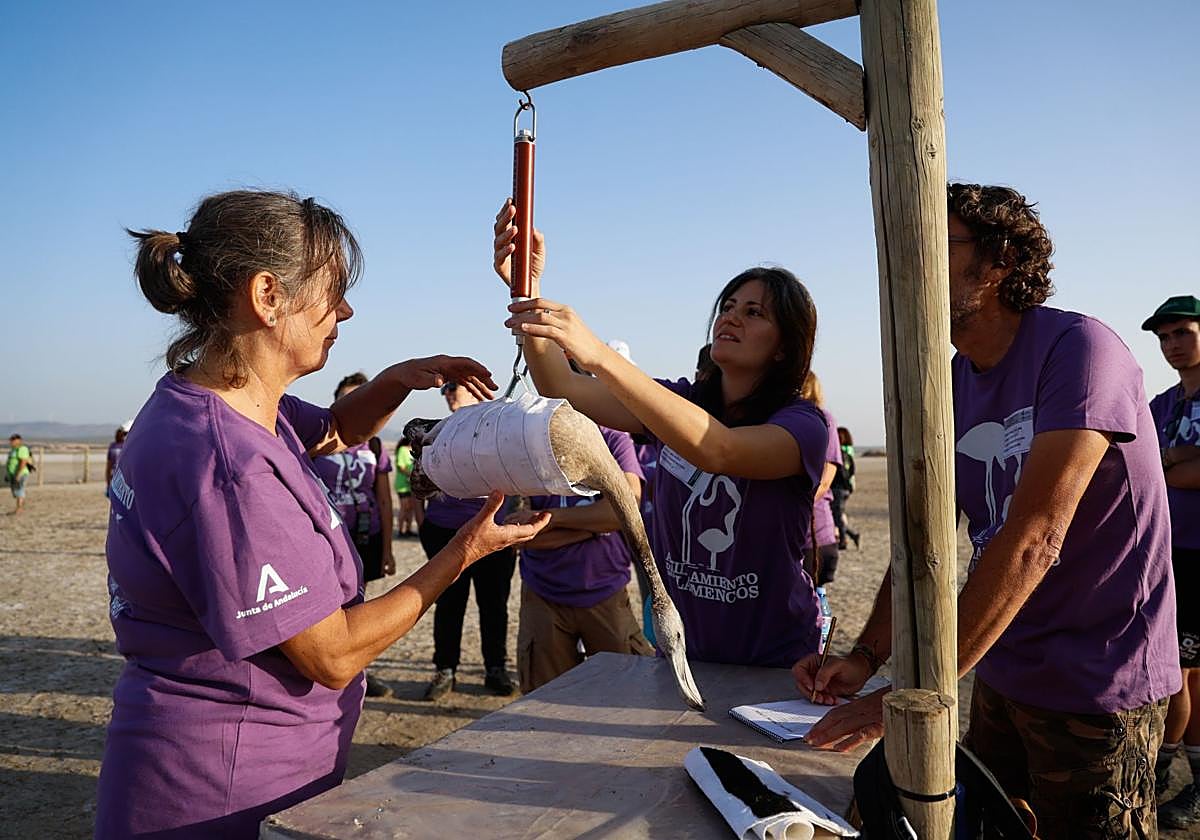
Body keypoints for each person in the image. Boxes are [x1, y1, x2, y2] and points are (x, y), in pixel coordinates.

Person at [95, 190, 549, 839]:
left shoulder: (232, 403)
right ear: (267, 296)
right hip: (219, 792)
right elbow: (333, 654)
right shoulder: (228, 465)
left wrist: (397, 379)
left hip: (241, 770)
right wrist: (466, 551)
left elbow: (334, 428)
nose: (346, 310)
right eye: (332, 291)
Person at [795, 183, 1180, 838]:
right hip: (1001, 662)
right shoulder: (947, 380)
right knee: (991, 825)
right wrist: (865, 657)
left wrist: (911, 698)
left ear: (999, 262)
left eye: (930, 246)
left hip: (1097, 672)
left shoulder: (1080, 350)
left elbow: (1036, 537)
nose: (905, 265)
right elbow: (923, 541)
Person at [493, 199, 832, 668]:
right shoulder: (682, 402)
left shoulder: (803, 425)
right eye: (728, 306)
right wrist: (525, 286)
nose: (731, 317)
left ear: (784, 347)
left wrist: (598, 354)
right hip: (685, 654)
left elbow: (720, 449)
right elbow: (562, 385)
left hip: (776, 661)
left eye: (755, 313)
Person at [505, 423, 653, 692]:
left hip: (604, 589)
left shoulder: (614, 440)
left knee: (625, 697)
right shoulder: (527, 442)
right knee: (546, 703)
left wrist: (551, 520)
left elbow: (626, 508)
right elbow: (516, 533)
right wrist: (597, 525)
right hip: (542, 593)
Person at [420, 381, 521, 700]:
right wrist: (423, 522)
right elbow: (418, 482)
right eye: (445, 390)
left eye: (454, 388)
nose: (448, 393)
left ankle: (495, 669)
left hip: (491, 530)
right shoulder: (434, 432)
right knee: (448, 603)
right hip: (444, 528)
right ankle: (445, 669)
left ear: (477, 391)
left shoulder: (498, 427)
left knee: (494, 604)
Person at [1144, 295, 1200, 829]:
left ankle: (1184, 783)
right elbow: (1147, 465)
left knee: (1186, 673)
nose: (1172, 346)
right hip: (1170, 549)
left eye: (1181, 332)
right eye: (1164, 338)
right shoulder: (1163, 403)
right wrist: (1179, 458)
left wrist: (1172, 462)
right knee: (1177, 671)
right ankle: (1161, 770)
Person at [311, 372, 395, 698]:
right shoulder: (318, 440)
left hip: (366, 536)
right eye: (348, 398)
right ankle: (328, 671)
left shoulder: (374, 445)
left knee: (359, 607)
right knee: (327, 607)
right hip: (327, 539)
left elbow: (385, 499)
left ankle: (359, 672)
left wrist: (387, 548)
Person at [830, 426, 860, 550]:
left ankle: (845, 539)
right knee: (837, 514)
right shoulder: (848, 453)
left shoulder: (839, 454)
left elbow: (841, 471)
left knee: (836, 515)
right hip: (846, 488)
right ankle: (847, 536)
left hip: (838, 489)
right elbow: (852, 469)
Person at [393, 433, 422, 536]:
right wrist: (411, 475)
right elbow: (400, 466)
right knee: (404, 507)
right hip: (403, 484)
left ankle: (408, 529)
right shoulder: (402, 449)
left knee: (411, 508)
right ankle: (401, 530)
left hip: (412, 484)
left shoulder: (414, 450)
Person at [6, 433, 32, 514]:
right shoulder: (13, 450)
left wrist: (18, 473)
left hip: (21, 473)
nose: (11, 441)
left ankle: (19, 509)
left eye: (13, 440)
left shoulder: (22, 449)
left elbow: (23, 462)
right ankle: (20, 507)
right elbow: (11, 462)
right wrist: (8, 474)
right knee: (16, 491)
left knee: (19, 490)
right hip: (13, 473)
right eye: (11, 439)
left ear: (19, 441)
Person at [105, 421, 132, 495]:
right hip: (118, 478)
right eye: (125, 434)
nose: (125, 436)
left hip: (119, 478)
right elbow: (109, 466)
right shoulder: (118, 446)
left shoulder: (115, 446)